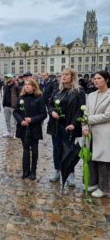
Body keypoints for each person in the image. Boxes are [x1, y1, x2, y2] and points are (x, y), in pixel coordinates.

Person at [47, 68, 85, 186]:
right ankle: (57, 170)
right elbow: (50, 104)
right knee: (56, 148)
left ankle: (70, 173)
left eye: (66, 75)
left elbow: (80, 109)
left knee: (69, 150)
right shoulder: (57, 90)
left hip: (69, 125)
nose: (63, 77)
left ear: (72, 77)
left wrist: (74, 123)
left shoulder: (79, 91)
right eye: (62, 74)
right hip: (56, 125)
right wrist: (52, 112)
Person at [82, 70, 110, 198]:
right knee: (90, 157)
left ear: (106, 80)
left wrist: (88, 120)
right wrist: (85, 126)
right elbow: (86, 112)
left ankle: (104, 188)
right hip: (90, 132)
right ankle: (92, 182)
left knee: (103, 160)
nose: (95, 80)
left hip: (104, 133)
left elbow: (108, 115)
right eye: (94, 78)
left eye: (99, 78)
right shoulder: (91, 95)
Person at [13, 79, 47, 180]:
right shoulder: (21, 97)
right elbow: (15, 112)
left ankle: (33, 171)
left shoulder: (39, 98)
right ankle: (25, 171)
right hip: (23, 127)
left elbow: (43, 114)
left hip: (34, 127)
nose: (26, 86)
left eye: (29, 85)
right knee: (25, 149)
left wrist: (32, 119)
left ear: (34, 86)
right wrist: (21, 121)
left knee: (34, 150)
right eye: (25, 84)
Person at [2, 74, 21, 138]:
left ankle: (14, 133)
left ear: (11, 78)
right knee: (7, 120)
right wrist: (3, 104)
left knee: (14, 121)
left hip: (13, 106)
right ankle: (9, 132)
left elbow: (19, 96)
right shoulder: (5, 86)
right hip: (6, 106)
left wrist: (18, 104)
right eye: (6, 78)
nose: (6, 79)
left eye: (8, 77)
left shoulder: (16, 87)